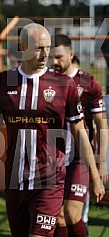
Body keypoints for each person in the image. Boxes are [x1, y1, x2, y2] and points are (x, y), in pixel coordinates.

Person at [0, 23, 105, 237]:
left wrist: (95, 175)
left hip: (50, 180)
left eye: (47, 47)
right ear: (22, 46)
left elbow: (80, 133)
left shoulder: (63, 85)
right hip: (14, 179)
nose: (45, 53)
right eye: (39, 47)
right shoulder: (1, 83)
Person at [50, 34, 108, 236]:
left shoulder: (89, 83)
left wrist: (101, 161)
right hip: (52, 158)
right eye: (52, 57)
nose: (55, 62)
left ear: (71, 54)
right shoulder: (45, 83)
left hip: (79, 158)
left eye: (59, 57)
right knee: (57, 217)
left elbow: (102, 123)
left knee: (73, 212)